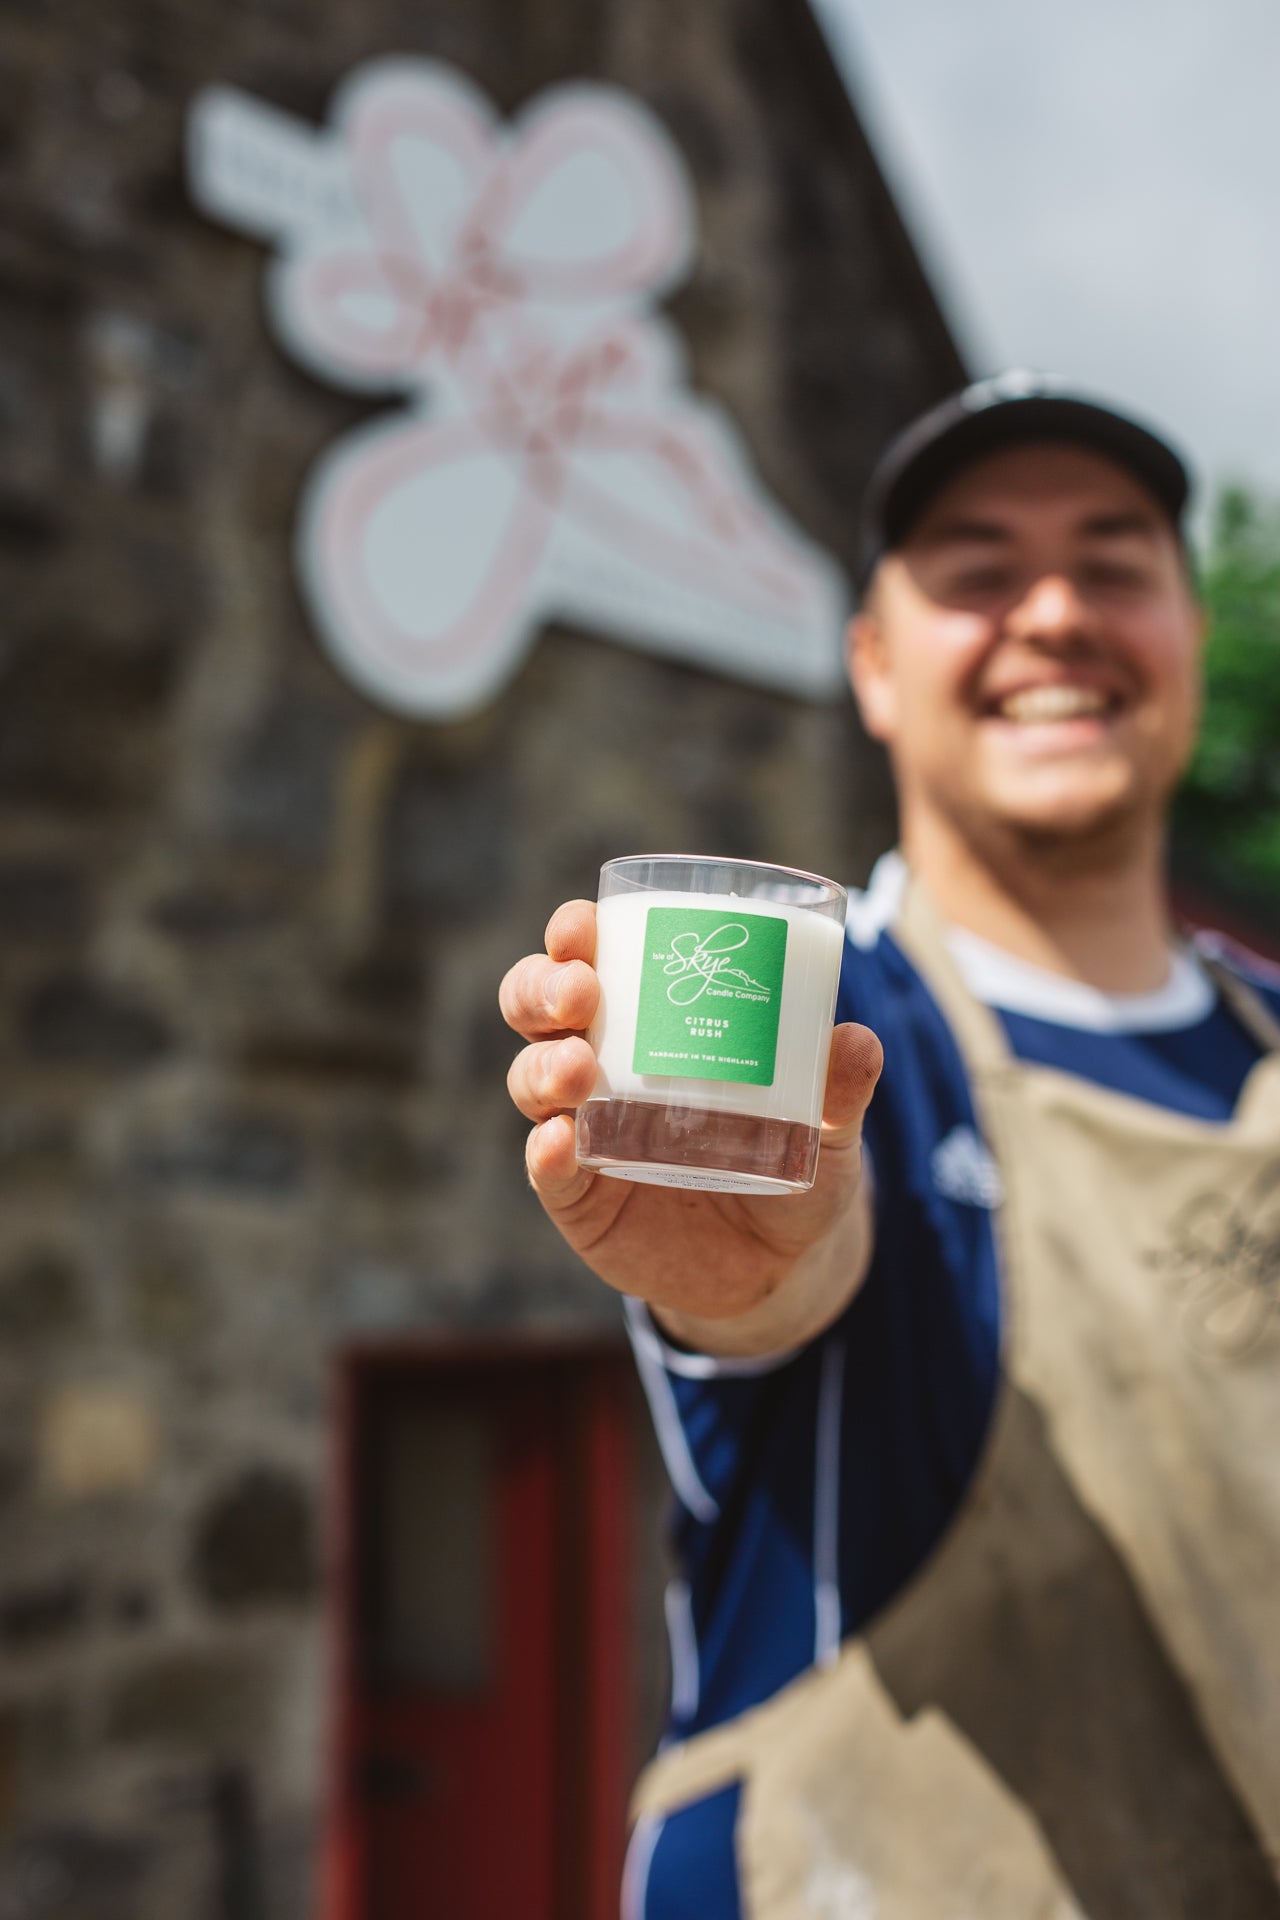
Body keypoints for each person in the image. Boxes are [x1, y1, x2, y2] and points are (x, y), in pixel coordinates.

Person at [499, 372, 1280, 1919]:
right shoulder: (814, 1011)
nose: (1054, 613)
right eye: (979, 573)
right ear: (871, 665)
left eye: (1113, 564)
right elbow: (790, 1269)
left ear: (1190, 637)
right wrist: (742, 1281)